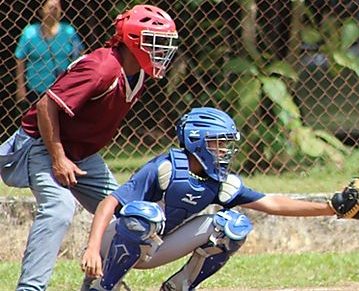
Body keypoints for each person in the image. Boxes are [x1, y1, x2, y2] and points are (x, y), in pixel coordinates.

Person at [0, 4, 179, 291]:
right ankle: (30, 289)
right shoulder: (102, 69)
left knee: (128, 215)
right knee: (59, 208)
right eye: (154, 43)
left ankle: (98, 285)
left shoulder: (140, 73)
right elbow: (47, 104)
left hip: (82, 154)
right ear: (133, 41)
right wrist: (58, 158)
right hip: (43, 145)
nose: (161, 51)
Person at [80, 107, 342, 290]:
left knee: (232, 227)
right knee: (143, 217)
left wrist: (331, 208)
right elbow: (109, 202)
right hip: (114, 243)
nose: (225, 150)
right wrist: (93, 249)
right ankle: (103, 286)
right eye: (219, 142)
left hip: (157, 248)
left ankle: (178, 287)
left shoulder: (220, 181)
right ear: (197, 141)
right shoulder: (165, 168)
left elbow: (271, 203)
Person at [15, 0, 84, 105]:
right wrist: (20, 86)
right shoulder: (29, 32)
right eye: (50, 7)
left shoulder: (69, 31)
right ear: (41, 10)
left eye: (57, 8)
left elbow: (80, 54)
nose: (53, 11)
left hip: (63, 88)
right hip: (36, 88)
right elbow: (20, 59)